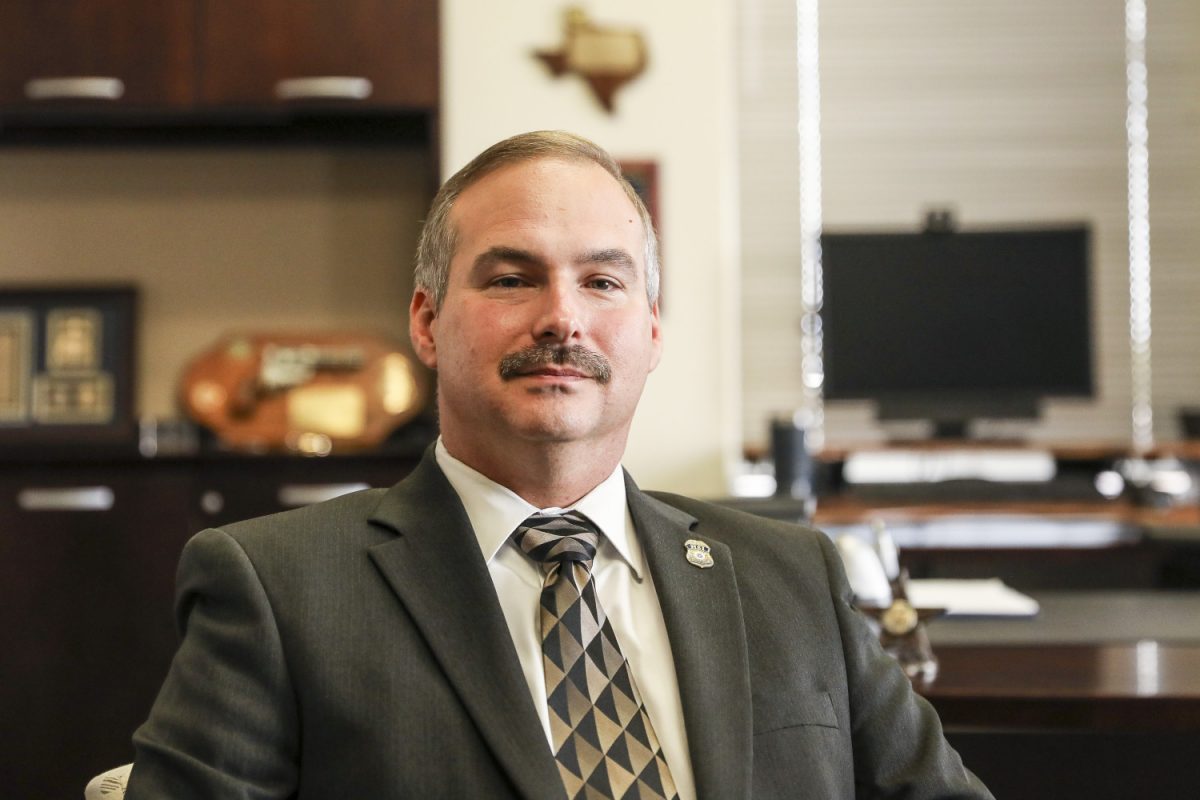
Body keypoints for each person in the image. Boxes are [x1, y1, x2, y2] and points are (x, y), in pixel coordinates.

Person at [127, 131, 991, 799]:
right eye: (511, 279)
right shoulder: (277, 590)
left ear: (652, 333)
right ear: (427, 324)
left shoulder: (793, 575)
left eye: (604, 283)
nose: (561, 319)